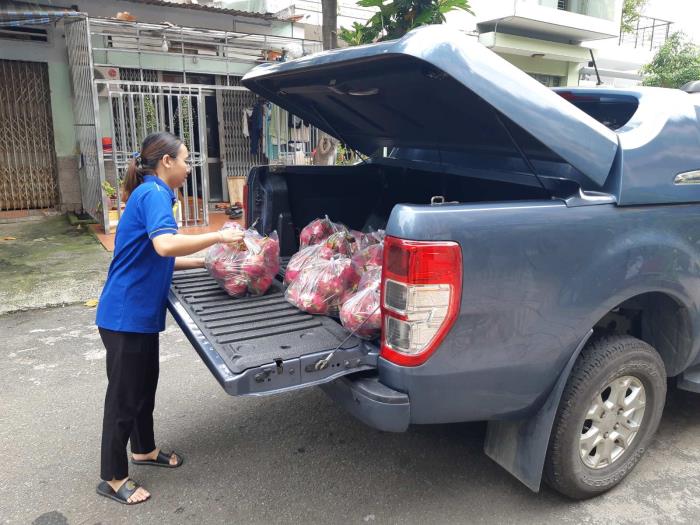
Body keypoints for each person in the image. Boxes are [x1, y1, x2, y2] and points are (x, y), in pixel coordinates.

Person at [94, 132, 243, 505]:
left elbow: (161, 255)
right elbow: (164, 244)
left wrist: (208, 261)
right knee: (124, 397)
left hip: (138, 315)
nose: (189, 168)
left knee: (144, 387)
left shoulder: (153, 194)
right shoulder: (154, 193)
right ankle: (112, 477)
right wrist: (218, 235)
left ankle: (143, 449)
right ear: (166, 162)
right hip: (124, 314)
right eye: (186, 160)